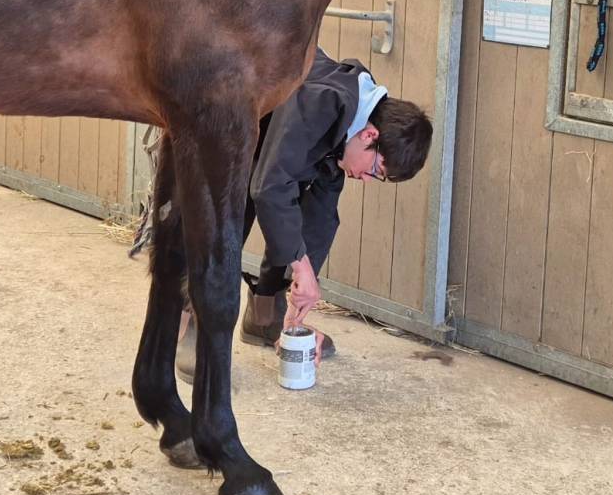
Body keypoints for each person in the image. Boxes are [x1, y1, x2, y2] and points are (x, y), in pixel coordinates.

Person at [176, 48, 433, 382]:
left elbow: (321, 216)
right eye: (376, 170)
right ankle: (193, 322)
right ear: (371, 136)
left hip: (265, 135)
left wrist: (303, 288)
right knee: (240, 205)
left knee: (309, 218)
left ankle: (267, 317)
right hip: (224, 113)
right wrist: (300, 265)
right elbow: (268, 187)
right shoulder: (323, 102)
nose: (367, 179)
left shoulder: (353, 120)